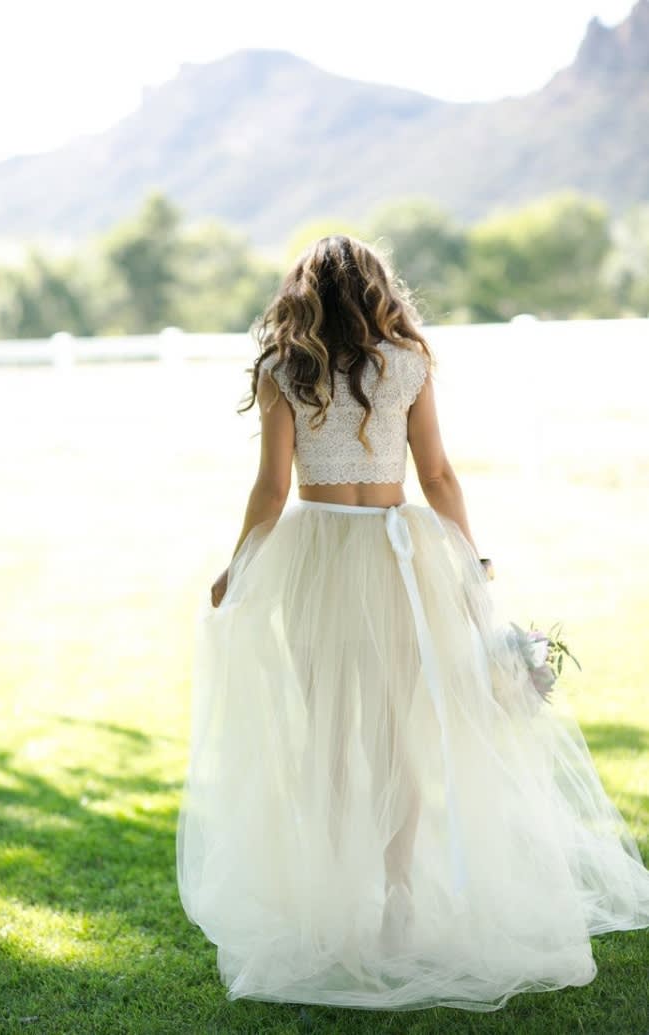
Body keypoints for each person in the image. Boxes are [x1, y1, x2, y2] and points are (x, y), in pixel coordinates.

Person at [176, 234, 649, 1012]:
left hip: (319, 559)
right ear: (375, 289)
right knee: (394, 734)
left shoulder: (285, 370)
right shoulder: (408, 364)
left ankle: (337, 914)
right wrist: (471, 559)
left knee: (327, 734)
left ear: (302, 294)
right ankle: (398, 900)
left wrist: (240, 566)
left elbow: (269, 489)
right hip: (399, 556)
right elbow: (437, 474)